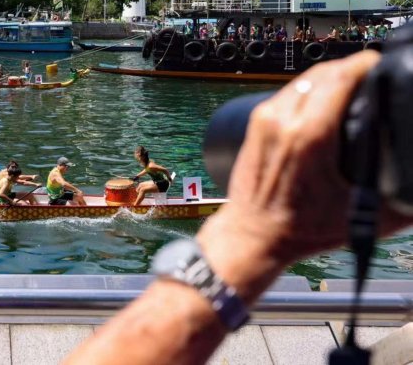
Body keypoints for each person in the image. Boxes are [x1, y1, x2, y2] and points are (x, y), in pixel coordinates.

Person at [65, 51, 412, 365]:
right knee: (140, 184)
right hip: (167, 187)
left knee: (141, 188)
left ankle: (138, 208)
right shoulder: (146, 162)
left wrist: (250, 234)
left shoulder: (152, 163)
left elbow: (157, 172)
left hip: (167, 188)